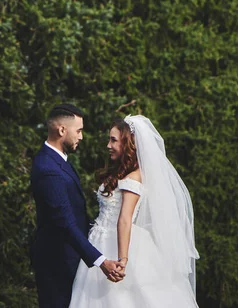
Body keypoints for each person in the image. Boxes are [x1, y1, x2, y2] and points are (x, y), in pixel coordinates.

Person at [69, 114, 200, 307]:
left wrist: (123, 260)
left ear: (128, 143)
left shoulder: (133, 178)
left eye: (113, 140)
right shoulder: (121, 173)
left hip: (116, 244)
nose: (108, 145)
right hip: (101, 241)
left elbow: (125, 219)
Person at [30, 104, 124, 308]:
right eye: (79, 130)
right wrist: (100, 261)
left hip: (71, 257)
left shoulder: (59, 161)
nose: (81, 137)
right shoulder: (47, 168)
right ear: (62, 130)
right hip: (57, 263)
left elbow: (77, 214)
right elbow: (64, 222)